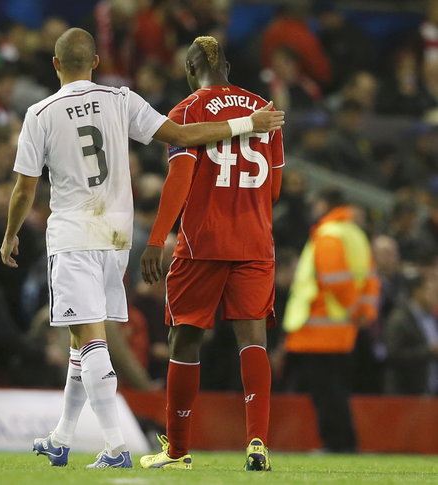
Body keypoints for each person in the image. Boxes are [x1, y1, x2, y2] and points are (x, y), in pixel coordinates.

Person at [0, 28, 284, 470]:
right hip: (128, 238)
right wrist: (249, 125)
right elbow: (219, 155)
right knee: (86, 338)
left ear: (56, 65)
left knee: (111, 337)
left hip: (86, 234)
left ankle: (128, 447)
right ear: (95, 62)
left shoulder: (41, 112)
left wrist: (10, 232)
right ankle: (63, 437)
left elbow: (24, 189)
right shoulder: (123, 99)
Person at [139, 35, 285, 472]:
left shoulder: (186, 111)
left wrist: (155, 239)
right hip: (255, 241)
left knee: (184, 337)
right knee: (252, 341)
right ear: (229, 71)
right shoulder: (266, 110)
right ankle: (257, 443)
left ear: (189, 69)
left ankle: (178, 449)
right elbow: (274, 188)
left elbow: (179, 181)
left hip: (202, 241)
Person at [282, 188, 380, 453]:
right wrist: (364, 313)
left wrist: (351, 309)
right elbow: (370, 278)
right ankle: (344, 443)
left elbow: (334, 279)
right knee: (337, 391)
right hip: (344, 329)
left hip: (320, 329)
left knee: (327, 393)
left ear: (325, 203)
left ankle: (336, 444)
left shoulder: (328, 234)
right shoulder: (355, 235)